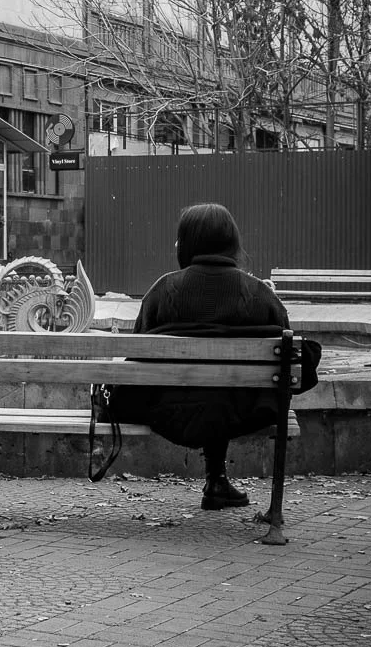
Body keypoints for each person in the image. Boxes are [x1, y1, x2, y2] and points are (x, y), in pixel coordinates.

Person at [121, 203, 296, 511]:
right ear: (232, 242)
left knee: (205, 393)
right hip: (242, 412)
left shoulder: (164, 290)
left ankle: (217, 480)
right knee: (221, 394)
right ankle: (221, 483)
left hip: (170, 413)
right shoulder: (259, 295)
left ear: (186, 243)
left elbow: (136, 355)